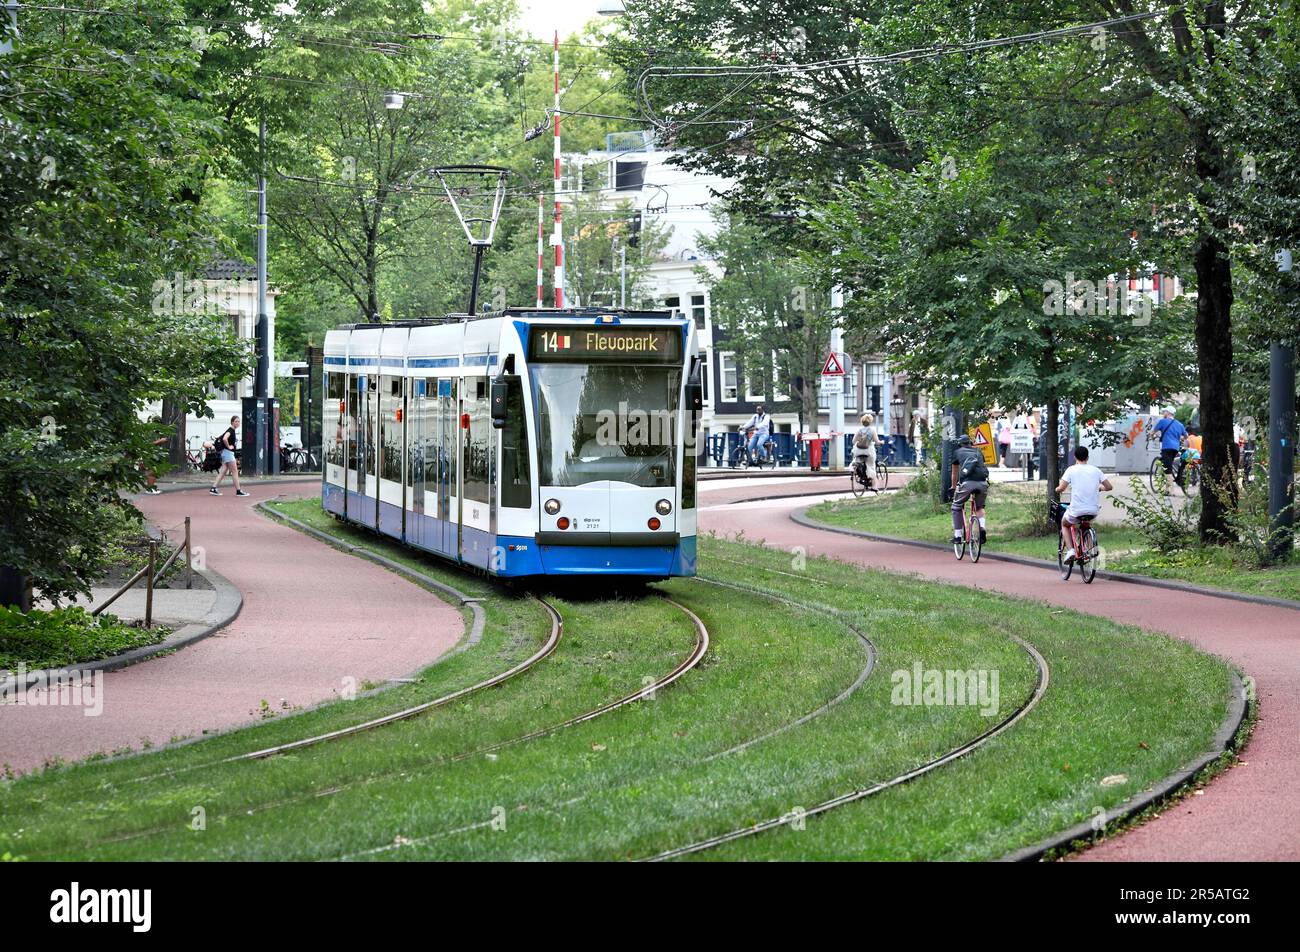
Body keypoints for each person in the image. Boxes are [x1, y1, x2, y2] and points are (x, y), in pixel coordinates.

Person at [1055, 445, 1113, 563]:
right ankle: (1088, 551)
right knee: (1085, 525)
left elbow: (1061, 488)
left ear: (1075, 457)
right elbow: (1109, 487)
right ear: (1088, 457)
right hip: (1093, 511)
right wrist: (1100, 488)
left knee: (1065, 524)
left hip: (1077, 510)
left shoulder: (1071, 470)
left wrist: (1057, 490)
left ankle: (1071, 551)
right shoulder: (1096, 470)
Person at [950, 434, 990, 545]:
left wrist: (953, 487)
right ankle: (982, 527)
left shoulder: (957, 452)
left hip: (967, 483)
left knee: (956, 506)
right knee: (979, 507)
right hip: (983, 483)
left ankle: (957, 536)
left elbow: (954, 473)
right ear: (970, 443)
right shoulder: (978, 451)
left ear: (960, 444)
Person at [211, 415, 250, 497]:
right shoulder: (231, 430)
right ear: (232, 422)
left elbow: (223, 438)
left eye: (239, 421)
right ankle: (238, 491)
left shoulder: (231, 430)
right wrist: (229, 446)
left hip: (225, 453)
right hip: (228, 453)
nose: (238, 423)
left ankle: (213, 488)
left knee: (223, 472)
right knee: (235, 471)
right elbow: (225, 438)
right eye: (236, 421)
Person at [1153, 407, 1188, 492]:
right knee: (1170, 463)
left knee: (1166, 467)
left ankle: (1170, 490)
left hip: (1167, 447)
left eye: (1164, 411)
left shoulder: (1162, 421)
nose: (1163, 413)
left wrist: (1152, 436)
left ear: (1168, 413)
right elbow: (1186, 435)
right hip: (1175, 448)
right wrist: (1180, 438)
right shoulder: (1180, 424)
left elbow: (1153, 432)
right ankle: (1169, 485)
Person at [852, 411, 881, 487]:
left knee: (859, 462)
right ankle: (874, 486)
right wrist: (882, 442)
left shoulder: (859, 430)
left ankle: (859, 473)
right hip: (868, 451)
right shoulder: (872, 430)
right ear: (870, 422)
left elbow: (853, 441)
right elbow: (877, 442)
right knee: (871, 466)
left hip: (858, 451)